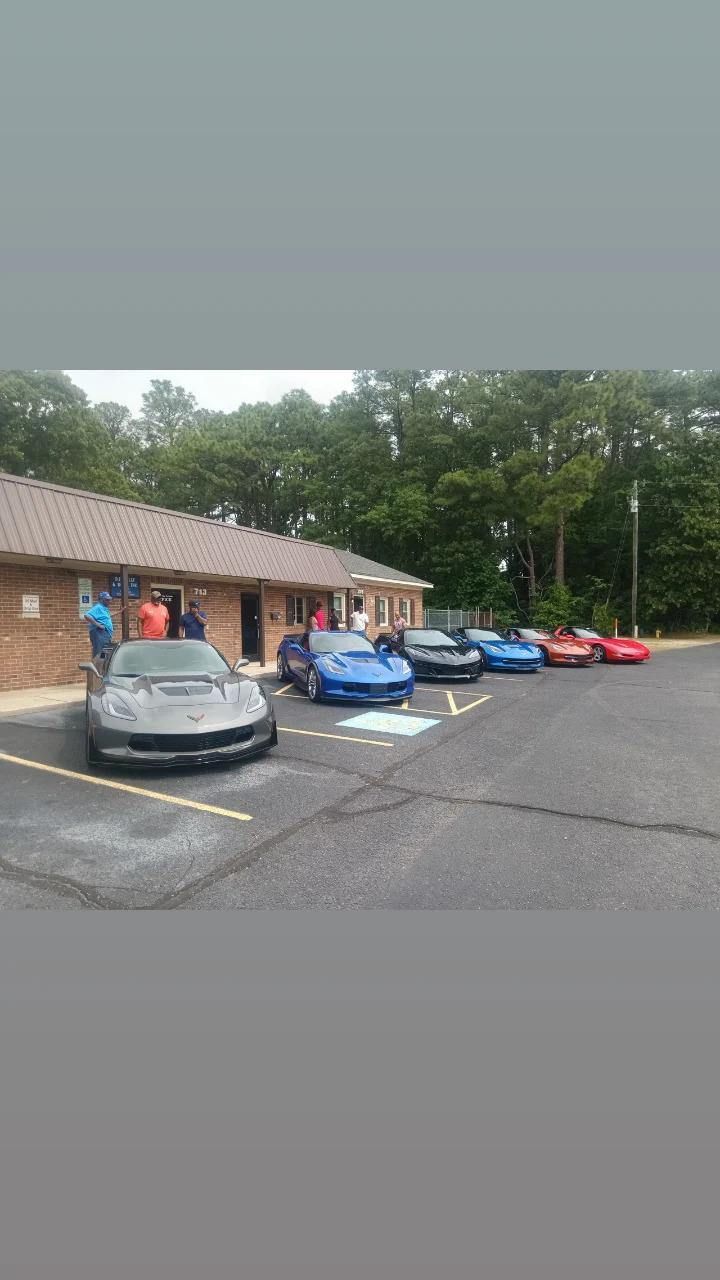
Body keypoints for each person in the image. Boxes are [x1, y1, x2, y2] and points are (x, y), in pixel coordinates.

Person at [83, 591, 115, 659]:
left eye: (109, 599)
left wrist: (119, 612)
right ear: (101, 599)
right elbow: (86, 615)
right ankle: (97, 669)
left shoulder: (104, 608)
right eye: (107, 600)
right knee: (99, 653)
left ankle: (102, 668)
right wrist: (98, 624)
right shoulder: (98, 607)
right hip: (100, 633)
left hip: (105, 634)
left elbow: (108, 616)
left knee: (104, 653)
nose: (109, 601)